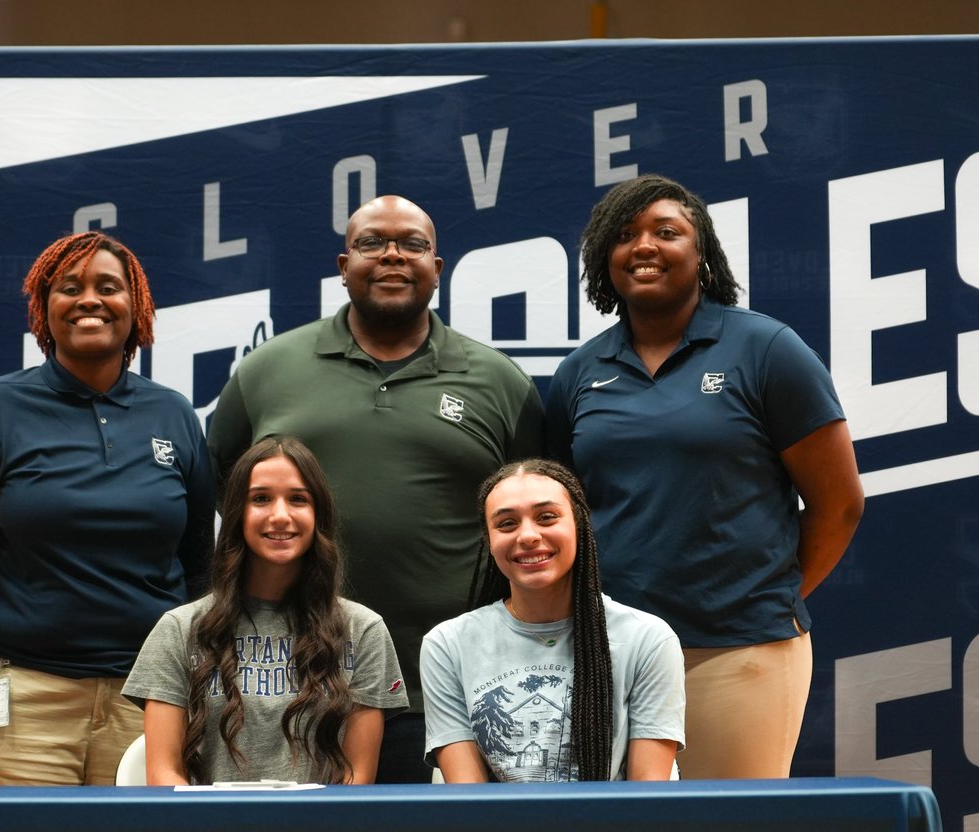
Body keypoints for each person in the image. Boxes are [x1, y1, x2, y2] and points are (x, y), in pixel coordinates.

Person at [207, 195, 543, 782]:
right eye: (371, 244)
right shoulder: (268, 371)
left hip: (453, 688)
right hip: (295, 686)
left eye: (412, 244)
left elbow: (538, 515)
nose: (392, 256)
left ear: (438, 269)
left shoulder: (498, 382)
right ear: (342, 266)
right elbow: (230, 491)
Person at [546, 174, 864, 779]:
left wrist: (767, 597)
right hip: (612, 651)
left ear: (703, 255)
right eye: (624, 235)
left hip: (739, 651)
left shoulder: (767, 348)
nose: (643, 246)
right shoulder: (579, 373)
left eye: (667, 232)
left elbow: (839, 504)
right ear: (601, 260)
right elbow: (565, 509)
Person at [0, 230, 215, 786]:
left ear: (137, 305)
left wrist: (195, 686)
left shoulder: (173, 417)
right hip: (22, 701)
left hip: (146, 703)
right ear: (44, 309)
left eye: (109, 287)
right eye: (69, 287)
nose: (90, 300)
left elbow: (199, 568)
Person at [123, 436, 408, 784]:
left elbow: (356, 779)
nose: (280, 515)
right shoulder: (179, 629)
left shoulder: (363, 631)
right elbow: (164, 775)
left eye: (298, 499)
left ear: (318, 515)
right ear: (235, 515)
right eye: (260, 498)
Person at [421, 459, 684, 782]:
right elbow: (468, 799)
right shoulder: (446, 645)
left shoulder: (648, 639)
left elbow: (647, 797)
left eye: (547, 517)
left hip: (613, 828)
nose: (528, 535)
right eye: (506, 524)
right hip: (495, 830)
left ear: (580, 526)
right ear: (489, 542)